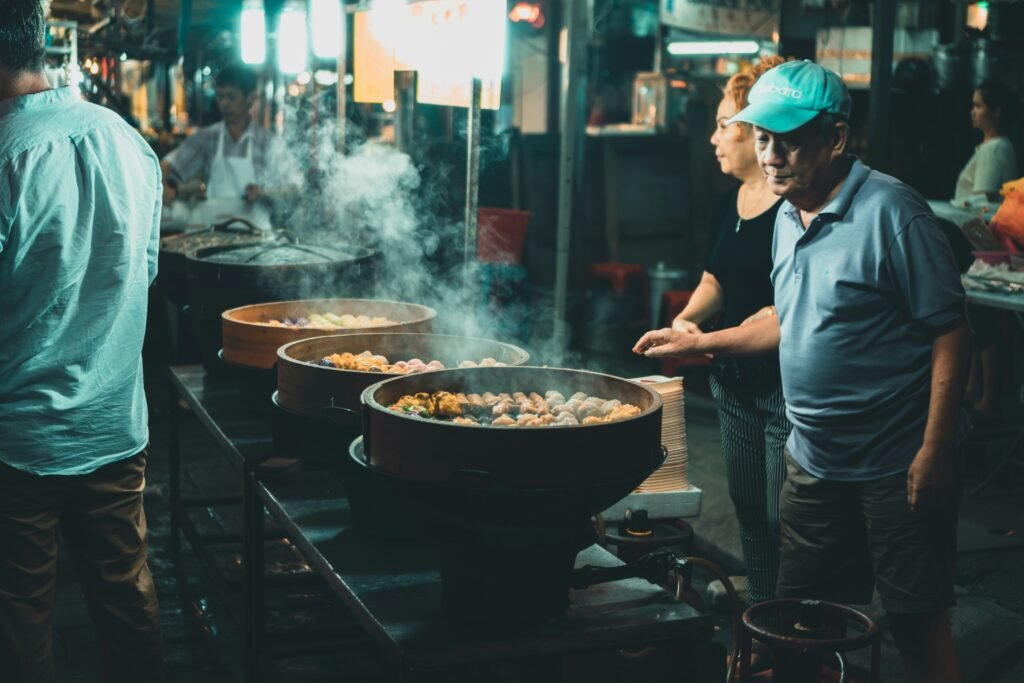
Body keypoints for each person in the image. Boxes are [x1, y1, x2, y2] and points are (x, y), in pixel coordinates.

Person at [634, 60, 970, 683]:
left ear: (837, 137)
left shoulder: (895, 215)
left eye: (788, 139)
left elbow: (951, 331)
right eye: (762, 138)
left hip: (893, 464)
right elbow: (788, 320)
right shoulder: (788, 216)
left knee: (919, 623)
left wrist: (937, 449)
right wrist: (702, 341)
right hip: (813, 460)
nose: (771, 154)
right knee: (799, 624)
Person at [0, 2, 164, 681]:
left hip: (19, 444)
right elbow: (144, 270)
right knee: (127, 599)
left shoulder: (6, 159)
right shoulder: (125, 137)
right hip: (113, 425)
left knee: (19, 617)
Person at [673, 56, 791, 610]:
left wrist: (699, 341)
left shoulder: (795, 206)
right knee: (746, 503)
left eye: (725, 125)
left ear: (756, 134)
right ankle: (763, 608)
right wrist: (687, 319)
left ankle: (794, 617)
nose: (715, 137)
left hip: (783, 382)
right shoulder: (731, 203)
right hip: (733, 378)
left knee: (781, 510)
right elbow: (715, 277)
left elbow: (786, 311)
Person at [161, 63, 283, 226]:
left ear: (250, 98)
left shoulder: (267, 142)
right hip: (212, 229)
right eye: (220, 96)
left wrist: (264, 192)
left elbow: (292, 189)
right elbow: (164, 166)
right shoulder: (207, 137)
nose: (224, 103)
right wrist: (164, 187)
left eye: (231, 97)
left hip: (255, 231)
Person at [953, 81, 1018, 205]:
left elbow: (981, 201)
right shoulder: (1002, 145)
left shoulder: (993, 149)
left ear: (996, 112)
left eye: (978, 106)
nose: (973, 112)